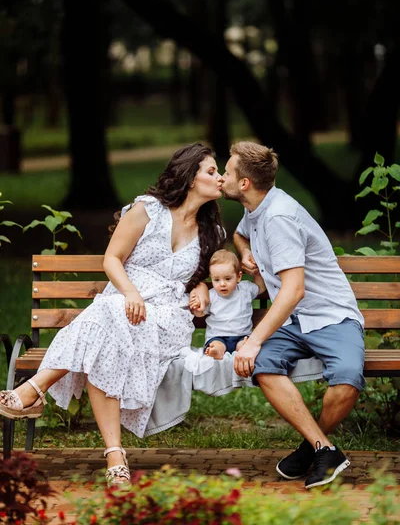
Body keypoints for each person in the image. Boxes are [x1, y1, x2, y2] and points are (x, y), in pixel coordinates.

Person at [0, 143, 225, 486]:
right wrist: (131, 293)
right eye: (211, 171)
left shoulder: (212, 233)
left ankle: (33, 391)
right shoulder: (147, 210)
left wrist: (204, 286)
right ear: (190, 177)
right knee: (107, 328)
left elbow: (211, 274)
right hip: (125, 302)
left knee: (103, 319)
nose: (220, 178)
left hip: (166, 317)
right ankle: (115, 455)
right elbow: (111, 259)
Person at [220, 141, 365, 489]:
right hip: (292, 320)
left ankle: (313, 447)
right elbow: (240, 234)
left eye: (226, 172)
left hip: (329, 315)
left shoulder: (279, 217)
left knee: (346, 377)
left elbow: (293, 289)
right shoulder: (257, 208)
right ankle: (323, 447)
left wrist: (253, 340)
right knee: (261, 366)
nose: (221, 178)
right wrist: (243, 252)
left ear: (244, 184)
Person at [190, 249, 266, 359]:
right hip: (217, 336)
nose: (222, 284)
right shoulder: (210, 295)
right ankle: (216, 351)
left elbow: (261, 287)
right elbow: (200, 314)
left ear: (239, 277)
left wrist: (256, 272)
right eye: (216, 280)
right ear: (211, 279)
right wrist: (197, 309)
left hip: (241, 336)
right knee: (217, 345)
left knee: (244, 345)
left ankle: (242, 348)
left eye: (227, 279)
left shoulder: (245, 289)